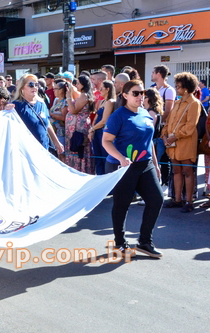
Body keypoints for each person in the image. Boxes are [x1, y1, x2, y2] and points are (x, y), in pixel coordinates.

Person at [101, 79, 163, 258]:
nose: (140, 96)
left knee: (156, 199)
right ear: (125, 95)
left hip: (145, 164)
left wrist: (156, 165)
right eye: (135, 93)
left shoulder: (145, 113)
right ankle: (120, 243)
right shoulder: (118, 116)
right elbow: (106, 141)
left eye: (142, 93)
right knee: (122, 204)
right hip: (123, 166)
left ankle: (144, 242)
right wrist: (121, 158)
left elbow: (149, 141)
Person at [163, 72, 202, 212]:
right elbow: (168, 122)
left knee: (187, 171)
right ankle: (178, 200)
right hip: (172, 144)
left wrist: (175, 136)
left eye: (178, 86)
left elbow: (190, 126)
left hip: (185, 143)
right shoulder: (177, 102)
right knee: (176, 170)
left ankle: (189, 202)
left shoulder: (194, 103)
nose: (176, 88)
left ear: (186, 87)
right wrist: (164, 135)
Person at [5, 74, 64, 156]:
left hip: (44, 148)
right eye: (31, 85)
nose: (34, 87)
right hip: (26, 152)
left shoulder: (42, 103)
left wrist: (56, 142)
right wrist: (6, 110)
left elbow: (47, 124)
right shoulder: (16, 105)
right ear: (22, 88)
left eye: (36, 84)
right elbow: (8, 127)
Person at [63, 75, 93, 173]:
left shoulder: (84, 95)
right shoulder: (82, 95)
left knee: (78, 147)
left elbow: (74, 110)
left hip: (79, 128)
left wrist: (68, 97)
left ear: (83, 85)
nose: (77, 85)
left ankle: (80, 169)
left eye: (79, 83)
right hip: (75, 127)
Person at [49, 81, 68, 155]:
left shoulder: (66, 102)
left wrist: (52, 114)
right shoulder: (56, 100)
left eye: (56, 89)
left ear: (61, 90)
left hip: (61, 132)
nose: (54, 90)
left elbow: (63, 117)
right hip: (53, 131)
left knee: (61, 154)